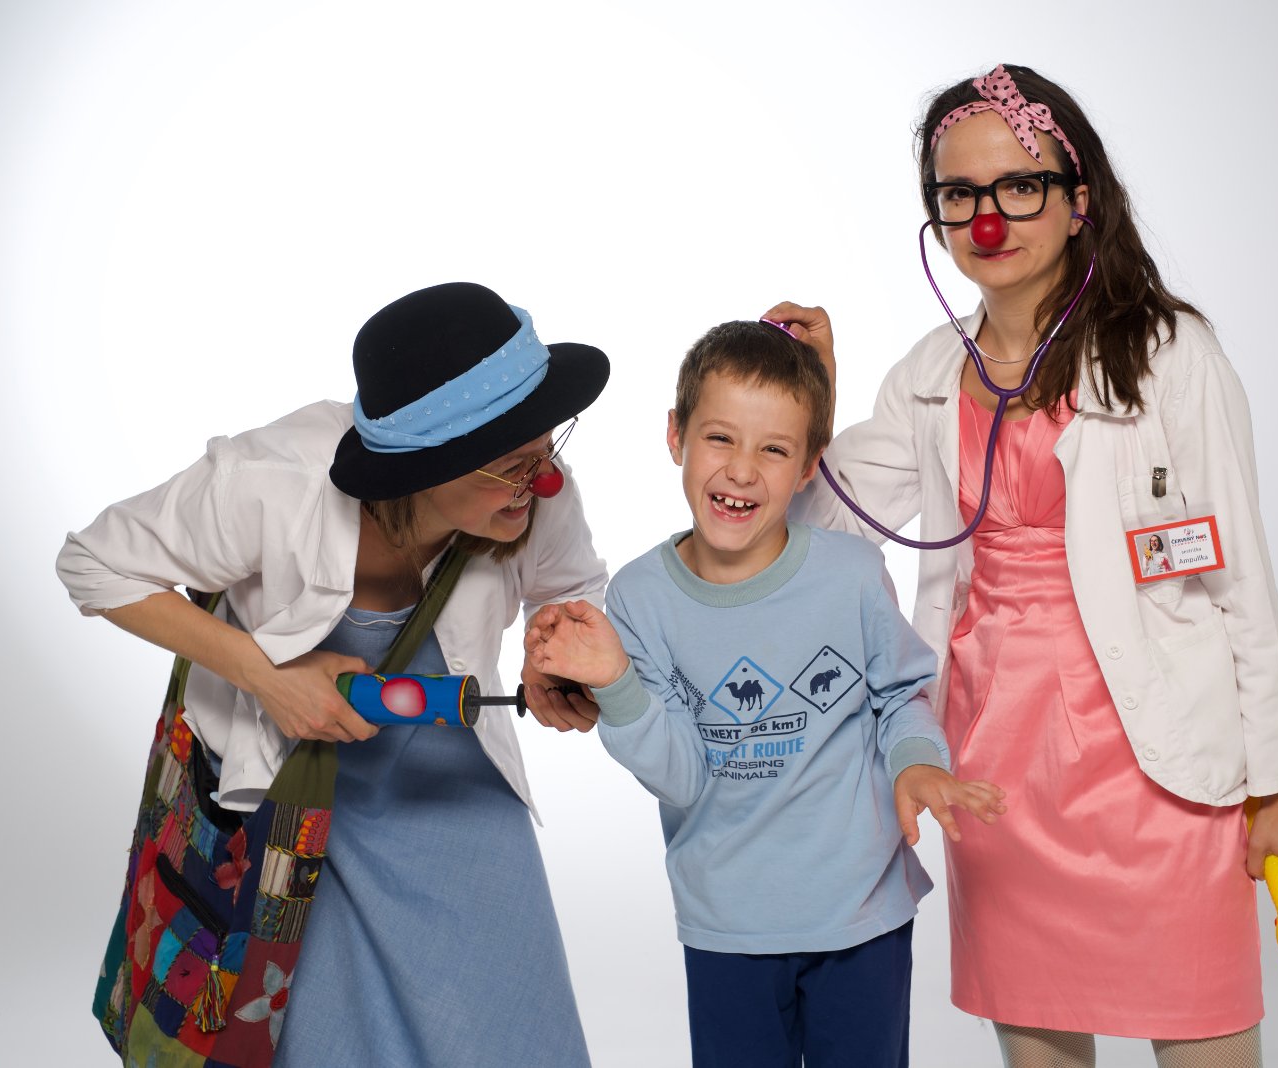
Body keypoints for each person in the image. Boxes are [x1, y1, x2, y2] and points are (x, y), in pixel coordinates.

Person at [768, 65, 1278, 1068]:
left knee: (1204, 1034)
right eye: (959, 194)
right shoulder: (932, 374)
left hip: (1159, 763)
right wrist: (812, 395)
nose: (987, 218)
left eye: (1019, 185)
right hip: (996, 770)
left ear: (1078, 201)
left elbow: (1240, 579)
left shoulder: (1168, 356)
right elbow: (816, 533)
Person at [58, 282, 608, 1066]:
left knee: (511, 1028)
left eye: (546, 448)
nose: (545, 478)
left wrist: (553, 646)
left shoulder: (534, 491)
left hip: (449, 784)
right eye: (514, 464)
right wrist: (269, 677)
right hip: (291, 802)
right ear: (426, 465)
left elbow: (573, 583)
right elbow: (94, 564)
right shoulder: (272, 480)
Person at [522, 320, 1005, 1068]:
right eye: (720, 438)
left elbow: (902, 693)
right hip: (727, 924)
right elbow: (682, 776)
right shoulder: (640, 599)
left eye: (774, 450)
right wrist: (616, 681)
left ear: (810, 465)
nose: (743, 470)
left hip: (861, 914)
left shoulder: (851, 574)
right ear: (676, 435)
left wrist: (917, 761)